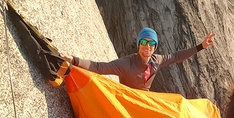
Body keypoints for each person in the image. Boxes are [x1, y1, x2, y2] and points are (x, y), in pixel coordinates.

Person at [61, 27, 215, 91]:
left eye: (151, 43)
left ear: (155, 46)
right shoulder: (126, 64)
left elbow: (176, 57)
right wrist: (74, 60)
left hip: (144, 99)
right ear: (138, 45)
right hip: (128, 99)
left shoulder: (157, 60)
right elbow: (99, 67)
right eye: (144, 42)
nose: (147, 46)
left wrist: (200, 46)